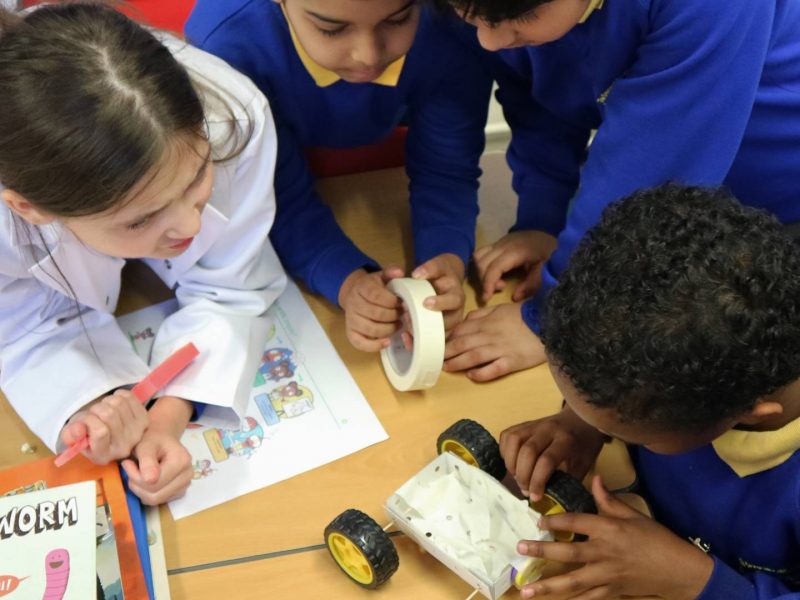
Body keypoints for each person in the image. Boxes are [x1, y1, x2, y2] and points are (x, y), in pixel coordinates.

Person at [0, 3, 286, 504]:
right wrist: (90, 407)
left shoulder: (230, 115)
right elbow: (24, 326)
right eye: (139, 220)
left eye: (198, 176)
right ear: (30, 209)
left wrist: (167, 415)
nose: (192, 225)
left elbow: (231, 284)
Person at [436, 0, 800, 382]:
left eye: (519, 15)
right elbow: (542, 100)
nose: (488, 41)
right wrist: (542, 221)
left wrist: (552, 318)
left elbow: (650, 179)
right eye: (469, 16)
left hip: (778, 204)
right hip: (684, 207)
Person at [501, 183, 800, 599]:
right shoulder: (711, 371)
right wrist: (580, 425)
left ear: (750, 412)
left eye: (623, 429)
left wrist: (694, 580)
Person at [186, 0, 492, 352]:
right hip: (281, 174)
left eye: (397, 19)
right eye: (330, 29)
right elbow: (271, 193)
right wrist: (346, 280)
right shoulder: (225, 44)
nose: (368, 56)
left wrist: (446, 257)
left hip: (378, 170)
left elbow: (447, 168)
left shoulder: (452, 19)